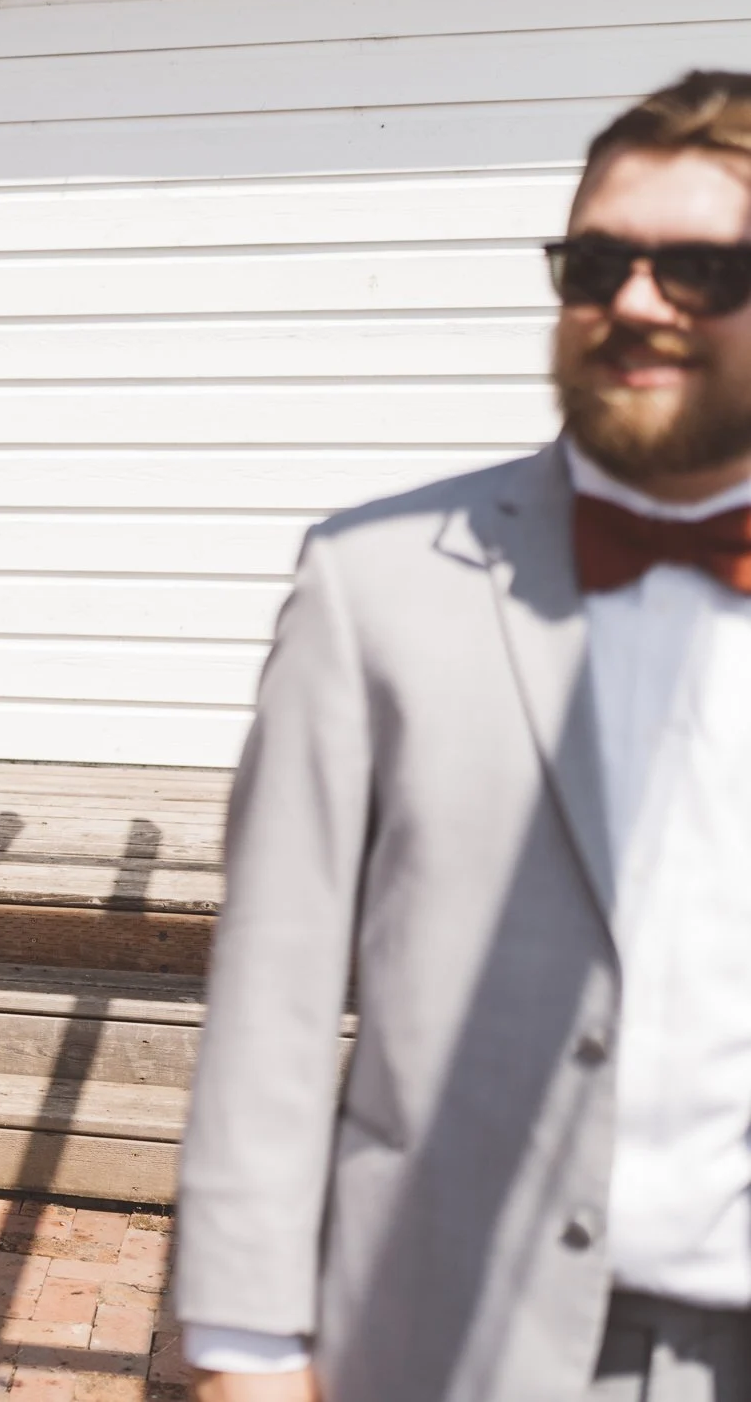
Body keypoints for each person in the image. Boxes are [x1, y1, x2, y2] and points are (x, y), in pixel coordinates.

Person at [173, 70, 751, 1402]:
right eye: (598, 262)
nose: (637, 303)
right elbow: (275, 982)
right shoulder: (372, 581)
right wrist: (248, 1343)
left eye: (701, 271)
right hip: (452, 1336)